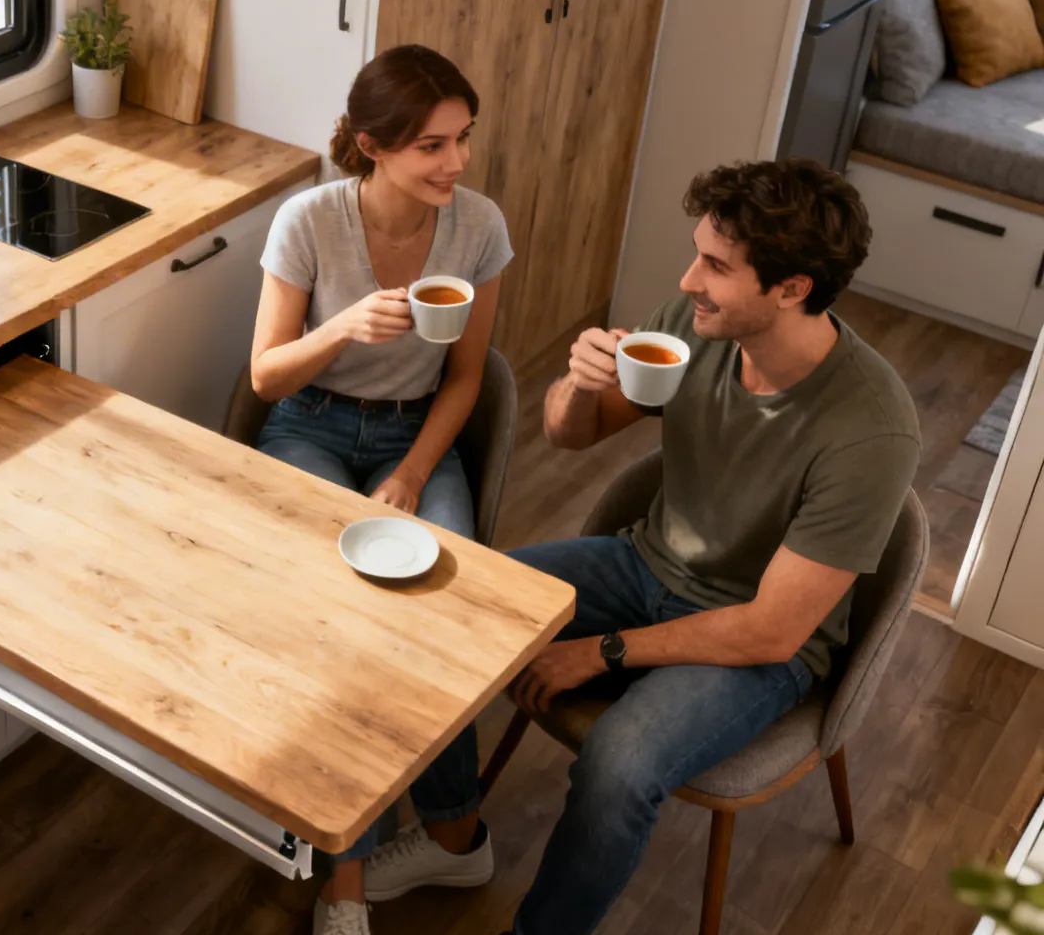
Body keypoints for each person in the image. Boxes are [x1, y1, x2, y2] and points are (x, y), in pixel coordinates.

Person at [359, 158, 920, 935]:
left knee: (619, 765)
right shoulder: (696, 326)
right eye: (696, 255)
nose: (689, 281)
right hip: (644, 564)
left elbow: (771, 630)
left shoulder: (870, 428)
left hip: (759, 641)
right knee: (449, 606)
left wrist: (600, 653)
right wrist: (578, 384)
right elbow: (572, 435)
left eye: (716, 266)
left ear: (791, 288)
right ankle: (454, 837)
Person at [247, 44, 513, 935]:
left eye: (463, 138)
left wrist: (410, 472)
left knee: (445, 614)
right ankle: (347, 882)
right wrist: (344, 329)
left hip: (416, 435)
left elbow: (467, 379)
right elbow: (265, 378)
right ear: (372, 145)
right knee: (348, 620)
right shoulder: (309, 221)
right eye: (433, 145)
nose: (456, 162)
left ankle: (454, 831)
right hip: (309, 426)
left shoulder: (479, 229)